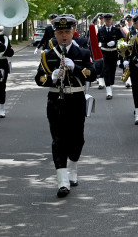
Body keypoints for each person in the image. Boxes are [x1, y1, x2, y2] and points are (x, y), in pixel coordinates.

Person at [34, 16, 96, 197]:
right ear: (55, 33)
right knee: (58, 140)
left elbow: (92, 74)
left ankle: (73, 168)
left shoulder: (82, 53)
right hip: (56, 100)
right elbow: (39, 78)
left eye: (67, 32)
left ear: (73, 32)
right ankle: (62, 181)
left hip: (76, 99)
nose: (64, 36)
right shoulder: (48, 55)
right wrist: (51, 77)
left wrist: (76, 68)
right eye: (60, 32)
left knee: (77, 139)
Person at [0, 21, 14, 118]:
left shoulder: (2, 38)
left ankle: (1, 108)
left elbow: (10, 52)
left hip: (2, 64)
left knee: (1, 87)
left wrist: (4, 49)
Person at [126, 13, 138, 124]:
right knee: (136, 89)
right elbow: (126, 49)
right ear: (136, 23)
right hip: (135, 65)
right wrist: (125, 59)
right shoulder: (130, 34)